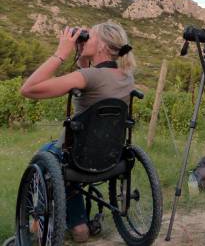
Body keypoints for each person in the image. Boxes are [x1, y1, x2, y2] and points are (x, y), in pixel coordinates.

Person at [20, 22, 136, 243]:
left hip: (74, 156)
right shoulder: (126, 77)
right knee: (61, 161)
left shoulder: (88, 77)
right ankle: (79, 226)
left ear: (101, 45)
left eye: (89, 36)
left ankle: (35, 224)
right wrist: (83, 56)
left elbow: (28, 89)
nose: (84, 39)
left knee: (45, 154)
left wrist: (61, 53)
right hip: (110, 156)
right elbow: (96, 80)